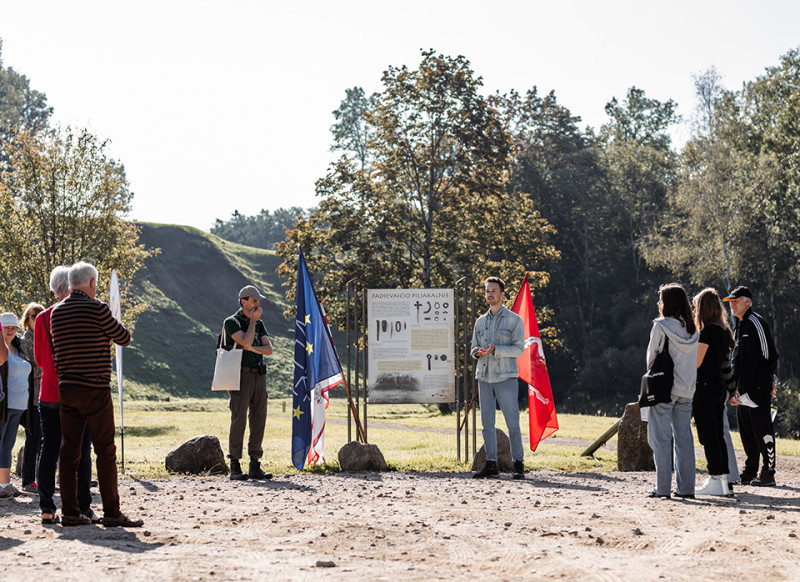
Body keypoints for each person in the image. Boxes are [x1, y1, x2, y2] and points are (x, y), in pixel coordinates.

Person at [50, 261, 142, 527]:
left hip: (67, 388)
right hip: (95, 389)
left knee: (69, 451)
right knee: (105, 451)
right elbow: (123, 337)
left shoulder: (57, 313)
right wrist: (105, 336)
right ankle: (112, 512)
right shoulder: (98, 308)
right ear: (91, 282)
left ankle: (69, 512)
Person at [34, 266, 97, 525]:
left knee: (49, 448)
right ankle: (83, 507)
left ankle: (47, 507)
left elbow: (38, 359)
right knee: (81, 449)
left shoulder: (42, 319)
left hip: (49, 393)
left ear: (54, 288)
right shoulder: (81, 314)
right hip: (77, 393)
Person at [645, 283, 699, 499]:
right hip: (687, 389)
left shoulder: (660, 326)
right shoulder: (692, 328)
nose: (658, 303)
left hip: (664, 388)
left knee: (660, 438)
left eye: (661, 299)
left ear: (667, 302)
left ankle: (662, 488)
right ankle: (686, 488)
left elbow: (651, 358)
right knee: (684, 438)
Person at [470, 276, 525, 479]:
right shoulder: (480, 321)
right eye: (487, 291)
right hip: (484, 377)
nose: (489, 294)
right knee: (487, 425)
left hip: (506, 378)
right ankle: (491, 464)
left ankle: (518, 464)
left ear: (502, 294)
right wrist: (477, 352)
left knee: (513, 424)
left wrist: (496, 350)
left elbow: (519, 349)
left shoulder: (514, 320)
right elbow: (473, 349)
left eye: (493, 291)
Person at [724, 286, 778, 487]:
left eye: (736, 300)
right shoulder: (739, 325)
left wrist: (768, 381)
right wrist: (734, 387)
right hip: (741, 391)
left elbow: (769, 354)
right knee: (747, 432)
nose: (732, 303)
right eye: (730, 301)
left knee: (763, 429)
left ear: (748, 301)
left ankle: (768, 472)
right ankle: (750, 471)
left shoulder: (756, 322)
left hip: (757, 389)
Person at [223, 285, 274, 481]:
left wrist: (250, 347)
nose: (257, 304)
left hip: (259, 375)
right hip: (240, 375)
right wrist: (252, 323)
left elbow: (269, 349)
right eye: (254, 300)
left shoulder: (259, 323)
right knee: (239, 419)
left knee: (259, 419)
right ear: (243, 301)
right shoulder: (232, 322)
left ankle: (255, 464)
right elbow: (245, 340)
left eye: (258, 300)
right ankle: (235, 464)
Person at [691, 288, 734, 496]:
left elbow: (696, 363)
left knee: (708, 435)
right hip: (719, 387)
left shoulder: (707, 332)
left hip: (705, 387)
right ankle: (724, 479)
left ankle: (715, 478)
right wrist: (733, 390)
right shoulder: (725, 331)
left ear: (702, 309)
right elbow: (726, 365)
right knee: (718, 435)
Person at [0, 312, 32, 498]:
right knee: (0, 442)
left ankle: (5, 484)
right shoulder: (1, 350)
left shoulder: (18, 347)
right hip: (4, 404)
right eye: (6, 328)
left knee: (8, 444)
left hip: (19, 405)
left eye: (13, 328)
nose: (10, 331)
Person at [18, 302, 44, 493]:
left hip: (49, 396)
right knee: (33, 439)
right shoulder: (24, 341)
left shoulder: (47, 338)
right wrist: (47, 369)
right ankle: (28, 481)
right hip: (32, 398)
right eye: (34, 315)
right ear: (27, 320)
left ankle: (43, 480)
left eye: (42, 314)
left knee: (48, 441)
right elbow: (28, 370)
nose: (38, 318)